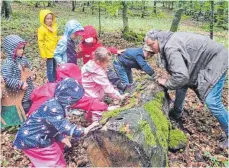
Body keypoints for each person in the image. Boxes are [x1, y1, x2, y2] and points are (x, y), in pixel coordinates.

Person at [144, 30, 228, 148]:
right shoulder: (168, 42)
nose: (151, 48)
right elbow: (181, 74)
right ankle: (177, 112)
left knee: (212, 101)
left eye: (152, 44)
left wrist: (167, 83)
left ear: (158, 40)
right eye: (148, 46)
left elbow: (182, 76)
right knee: (182, 85)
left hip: (217, 59)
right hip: (212, 57)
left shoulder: (170, 47)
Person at [13, 78, 99, 167]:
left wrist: (60, 137)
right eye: (75, 101)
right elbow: (64, 126)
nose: (76, 103)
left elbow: (51, 125)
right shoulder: (54, 108)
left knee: (48, 158)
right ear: (68, 99)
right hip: (33, 139)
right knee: (53, 160)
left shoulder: (55, 102)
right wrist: (84, 130)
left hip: (35, 136)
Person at [77, 25, 129, 93]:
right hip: (90, 69)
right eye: (87, 39)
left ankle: (120, 85)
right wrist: (77, 52)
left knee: (109, 72)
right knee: (92, 83)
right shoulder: (82, 46)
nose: (89, 41)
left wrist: (116, 51)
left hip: (100, 65)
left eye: (91, 39)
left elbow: (105, 50)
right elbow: (78, 55)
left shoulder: (97, 45)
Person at [2, 35, 34, 113]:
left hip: (29, 88)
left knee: (31, 101)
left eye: (23, 48)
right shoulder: (8, 64)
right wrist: (19, 84)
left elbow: (29, 68)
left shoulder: (24, 59)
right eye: (19, 48)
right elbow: (6, 79)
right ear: (11, 50)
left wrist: (33, 75)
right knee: (24, 106)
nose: (22, 50)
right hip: (17, 92)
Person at [38, 9, 59, 82]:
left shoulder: (53, 28)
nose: (50, 20)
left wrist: (61, 38)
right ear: (43, 19)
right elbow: (41, 42)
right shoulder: (42, 29)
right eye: (47, 18)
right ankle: (51, 82)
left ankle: (55, 79)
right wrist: (43, 54)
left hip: (55, 51)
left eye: (51, 18)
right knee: (50, 68)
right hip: (48, 53)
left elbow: (55, 39)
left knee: (55, 67)